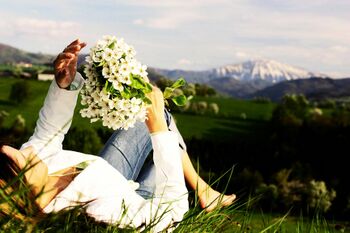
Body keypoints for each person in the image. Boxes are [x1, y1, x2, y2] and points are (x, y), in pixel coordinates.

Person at [0, 39, 235, 228]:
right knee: (158, 121)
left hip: (105, 176)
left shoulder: (37, 168)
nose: (24, 151)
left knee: (147, 117)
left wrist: (64, 84)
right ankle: (203, 190)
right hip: (139, 203)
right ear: (26, 193)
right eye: (19, 160)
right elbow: (171, 211)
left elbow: (47, 134)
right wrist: (159, 132)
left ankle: (204, 190)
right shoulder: (96, 214)